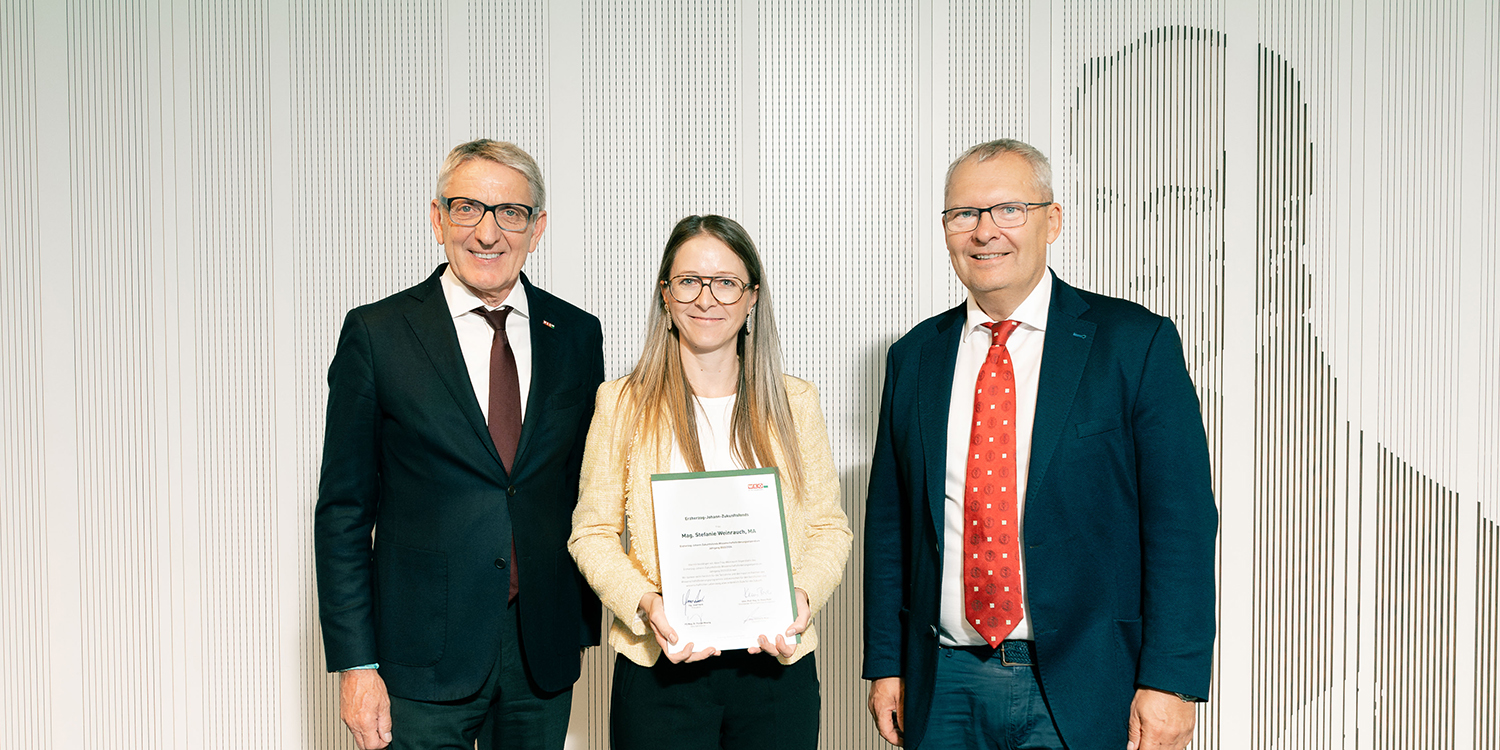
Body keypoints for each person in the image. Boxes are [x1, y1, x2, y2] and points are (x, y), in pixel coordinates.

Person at [861, 139, 1218, 750]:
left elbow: (1181, 526)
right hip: (941, 684)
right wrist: (885, 664)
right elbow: (891, 527)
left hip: (1086, 685)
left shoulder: (1134, 345)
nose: (984, 232)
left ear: (1052, 220)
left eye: (1008, 210)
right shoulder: (915, 358)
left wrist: (1173, 684)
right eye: (963, 215)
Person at [315, 139, 604, 750]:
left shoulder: (577, 335)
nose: (488, 232)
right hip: (417, 659)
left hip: (539, 654)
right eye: (468, 208)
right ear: (437, 216)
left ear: (538, 227)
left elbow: (592, 487)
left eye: (511, 213)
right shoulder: (378, 333)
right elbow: (343, 513)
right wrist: (355, 664)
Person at [569, 214, 851, 750]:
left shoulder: (795, 403)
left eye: (726, 283)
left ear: (752, 298)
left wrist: (800, 596)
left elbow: (829, 529)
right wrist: (647, 604)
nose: (707, 299)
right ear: (665, 296)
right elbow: (592, 533)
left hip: (775, 669)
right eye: (689, 281)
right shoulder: (623, 403)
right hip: (659, 671)